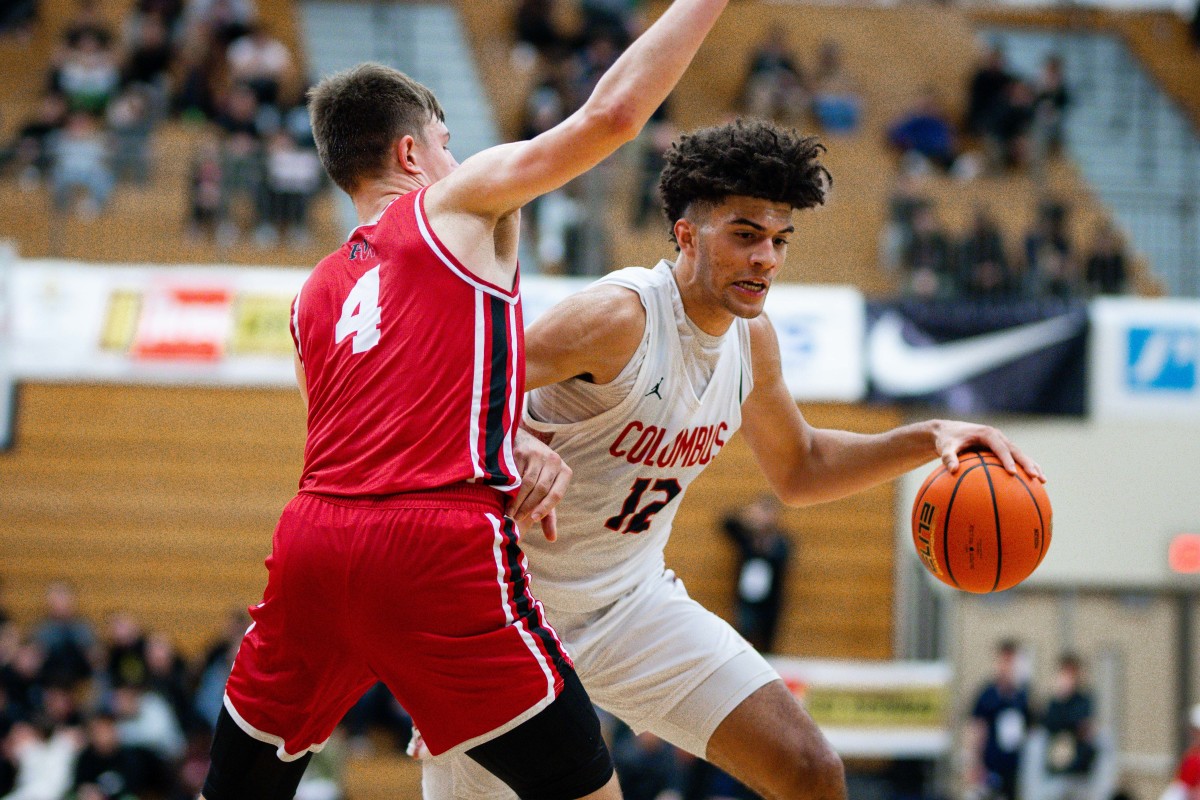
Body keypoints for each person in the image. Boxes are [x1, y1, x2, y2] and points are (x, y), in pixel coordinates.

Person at [421, 117, 1045, 800]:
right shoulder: (616, 318)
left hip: (630, 605)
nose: (767, 259)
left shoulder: (753, 341)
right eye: (745, 235)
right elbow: (444, 386)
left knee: (811, 770)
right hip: (504, 614)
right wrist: (512, 439)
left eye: (779, 240)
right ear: (687, 235)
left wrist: (931, 436)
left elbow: (800, 467)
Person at [199, 2, 731, 799]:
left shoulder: (314, 293)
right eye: (448, 143)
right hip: (432, 545)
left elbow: (381, 416)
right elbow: (612, 115)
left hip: (312, 541)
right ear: (411, 152)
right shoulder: (453, 206)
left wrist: (507, 436)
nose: (460, 157)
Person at [967, 640, 1032, 800]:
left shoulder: (1021, 696)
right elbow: (977, 729)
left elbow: (1030, 729)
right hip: (991, 765)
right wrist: (975, 763)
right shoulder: (987, 695)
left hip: (1015, 766)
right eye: (1006, 661)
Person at [1039, 654, 1096, 800]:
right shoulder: (1054, 703)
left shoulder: (1084, 700)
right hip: (1056, 770)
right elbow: (1049, 725)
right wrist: (1061, 696)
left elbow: (1082, 727)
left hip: (1079, 773)